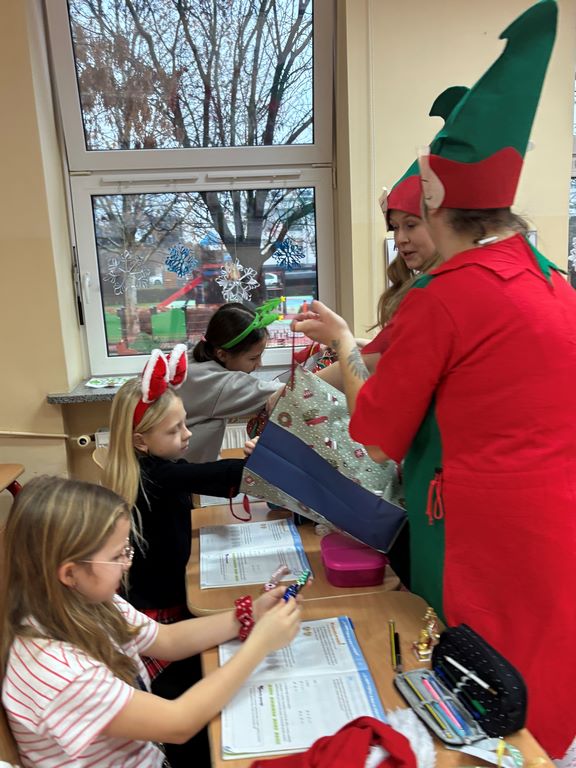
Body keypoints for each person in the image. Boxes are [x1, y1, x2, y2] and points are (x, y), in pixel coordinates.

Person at [294, 1, 575, 757]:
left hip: (479, 528)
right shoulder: (552, 280)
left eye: (411, 218)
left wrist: (346, 352)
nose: (405, 237)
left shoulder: (448, 294)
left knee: (474, 682)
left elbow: (377, 434)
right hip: (553, 519)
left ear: (439, 202)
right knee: (537, 671)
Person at [0, 475, 300, 768]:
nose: (127, 563)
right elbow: (179, 723)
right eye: (118, 555)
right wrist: (260, 645)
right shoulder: (58, 671)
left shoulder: (89, 602)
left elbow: (167, 640)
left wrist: (250, 615)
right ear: (69, 574)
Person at [102, 344, 247, 765]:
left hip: (163, 609)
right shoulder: (155, 477)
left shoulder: (148, 469)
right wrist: (266, 461)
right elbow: (223, 475)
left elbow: (212, 475)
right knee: (213, 695)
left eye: (186, 423)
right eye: (174, 430)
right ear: (140, 441)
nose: (187, 435)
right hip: (158, 623)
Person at [180, 301, 285, 462]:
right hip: (176, 472)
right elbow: (290, 392)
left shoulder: (191, 359)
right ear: (222, 354)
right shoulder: (217, 383)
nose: (259, 364)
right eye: (253, 358)